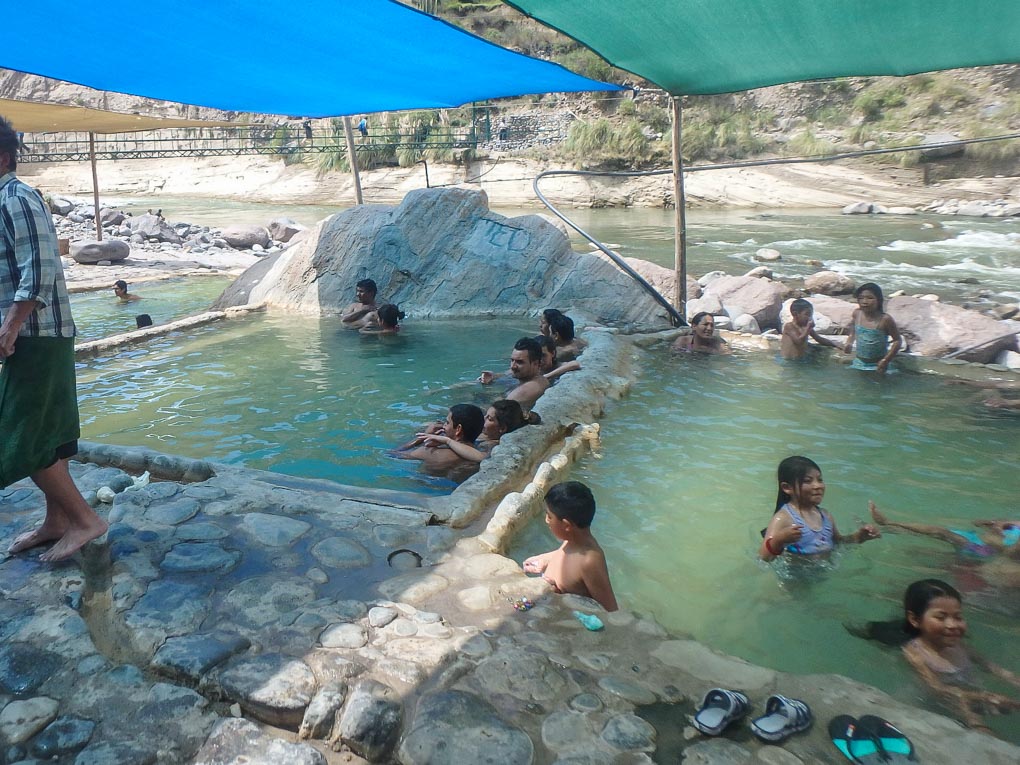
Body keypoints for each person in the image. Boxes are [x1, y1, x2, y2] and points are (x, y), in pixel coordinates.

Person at [0, 115, 108, 562]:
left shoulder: (16, 197)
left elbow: (39, 270)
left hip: (35, 334)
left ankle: (86, 521)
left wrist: (9, 328)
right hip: (34, 334)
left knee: (21, 438)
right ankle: (57, 520)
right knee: (50, 434)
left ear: (2, 157)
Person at [853, 579, 1020, 731]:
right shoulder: (914, 653)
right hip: (938, 700)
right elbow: (937, 689)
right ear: (915, 620)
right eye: (941, 617)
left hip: (968, 693)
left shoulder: (961, 646)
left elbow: (992, 667)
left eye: (958, 617)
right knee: (973, 719)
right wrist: (983, 697)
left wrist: (1012, 679)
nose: (952, 624)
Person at [759, 456, 880, 562]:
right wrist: (779, 540)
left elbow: (838, 542)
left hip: (823, 573)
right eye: (808, 481)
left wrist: (859, 537)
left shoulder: (825, 516)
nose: (818, 486)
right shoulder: (783, 518)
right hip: (796, 578)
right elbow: (764, 557)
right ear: (787, 488)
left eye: (820, 480)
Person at [522, 481, 618, 612]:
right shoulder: (572, 540)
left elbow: (610, 609)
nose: (546, 520)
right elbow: (566, 554)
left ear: (566, 525)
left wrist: (558, 598)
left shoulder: (589, 561)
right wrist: (546, 560)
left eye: (549, 516)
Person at [392, 404, 485, 476]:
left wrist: (422, 437)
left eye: (447, 422)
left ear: (458, 429)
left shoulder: (429, 452)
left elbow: (393, 454)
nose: (444, 425)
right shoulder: (480, 452)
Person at [480, 337, 549, 413]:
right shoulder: (537, 379)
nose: (513, 366)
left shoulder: (525, 390)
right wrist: (494, 377)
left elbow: (494, 413)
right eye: (512, 360)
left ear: (536, 363)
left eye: (519, 362)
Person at [843, 282, 901, 373]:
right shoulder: (857, 314)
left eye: (870, 298)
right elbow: (853, 327)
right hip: (859, 363)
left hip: (878, 365)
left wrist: (886, 360)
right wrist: (849, 341)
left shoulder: (885, 319)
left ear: (879, 300)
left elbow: (897, 341)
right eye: (861, 298)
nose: (865, 302)